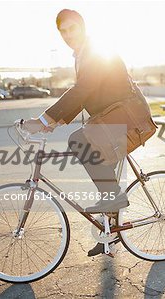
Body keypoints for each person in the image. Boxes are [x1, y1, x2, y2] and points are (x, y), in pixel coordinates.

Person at [23, 9, 132, 215]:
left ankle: (115, 197)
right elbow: (86, 95)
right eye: (63, 31)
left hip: (124, 116)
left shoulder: (95, 51)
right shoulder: (82, 54)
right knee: (106, 181)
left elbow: (82, 90)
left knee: (78, 141)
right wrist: (54, 122)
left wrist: (43, 119)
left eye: (72, 28)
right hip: (109, 118)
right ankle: (108, 236)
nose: (68, 35)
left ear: (83, 27)